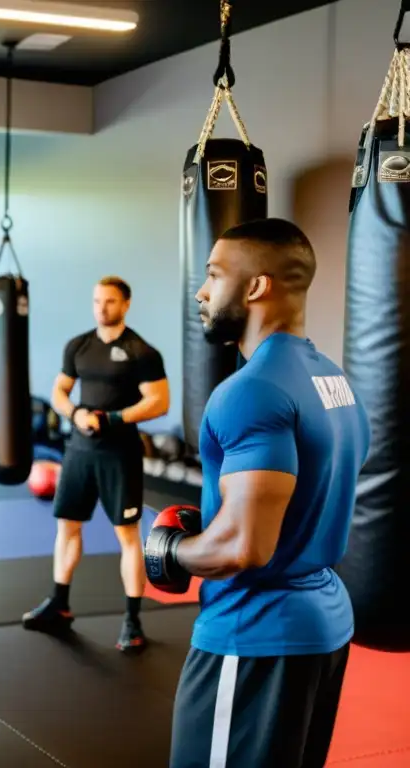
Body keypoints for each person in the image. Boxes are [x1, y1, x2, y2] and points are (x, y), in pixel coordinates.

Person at [144, 218, 371, 768]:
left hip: (255, 634)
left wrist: (170, 553)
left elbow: (244, 548)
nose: (201, 291)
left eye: (214, 275)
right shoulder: (334, 381)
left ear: (256, 287)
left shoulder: (249, 392)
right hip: (322, 626)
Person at [23, 276, 170, 652]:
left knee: (127, 535)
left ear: (126, 304)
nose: (101, 307)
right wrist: (75, 413)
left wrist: (113, 419)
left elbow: (159, 401)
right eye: (96, 301)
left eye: (109, 301)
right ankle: (59, 603)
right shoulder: (79, 345)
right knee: (67, 526)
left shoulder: (142, 351)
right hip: (79, 452)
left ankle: (132, 620)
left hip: (119, 454)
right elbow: (59, 389)